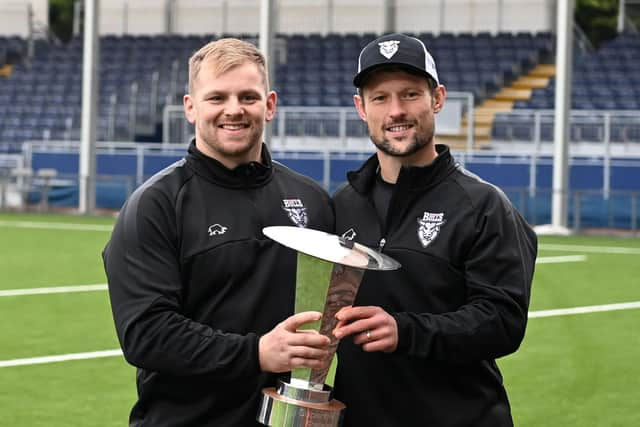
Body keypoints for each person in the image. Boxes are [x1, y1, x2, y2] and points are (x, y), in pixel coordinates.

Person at [102, 38, 334, 426]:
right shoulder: (155, 205)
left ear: (270, 105)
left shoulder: (312, 200)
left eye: (248, 96)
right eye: (217, 98)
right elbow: (146, 333)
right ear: (191, 108)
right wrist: (257, 352)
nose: (234, 110)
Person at [331, 33, 538, 426]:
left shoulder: (483, 205)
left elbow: (502, 322)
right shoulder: (342, 204)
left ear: (437, 99)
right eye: (380, 98)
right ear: (361, 108)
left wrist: (405, 331)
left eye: (410, 94)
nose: (396, 111)